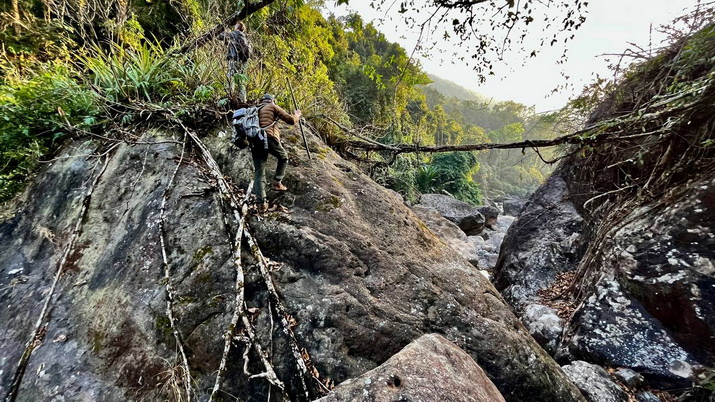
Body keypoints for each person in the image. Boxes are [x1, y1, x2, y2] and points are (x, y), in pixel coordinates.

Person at [251, 94, 301, 212]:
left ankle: (261, 204)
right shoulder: (272, 106)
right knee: (283, 157)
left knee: (259, 171)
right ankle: (277, 182)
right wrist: (297, 115)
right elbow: (291, 120)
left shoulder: (254, 110)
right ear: (272, 100)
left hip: (255, 141)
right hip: (268, 137)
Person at [222, 21, 250, 102]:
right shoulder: (245, 38)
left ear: (238, 27)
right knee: (241, 80)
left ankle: (229, 97)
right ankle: (243, 99)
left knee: (231, 77)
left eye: (236, 25)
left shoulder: (234, 34)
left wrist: (225, 30)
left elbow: (221, 37)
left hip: (234, 59)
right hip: (243, 62)